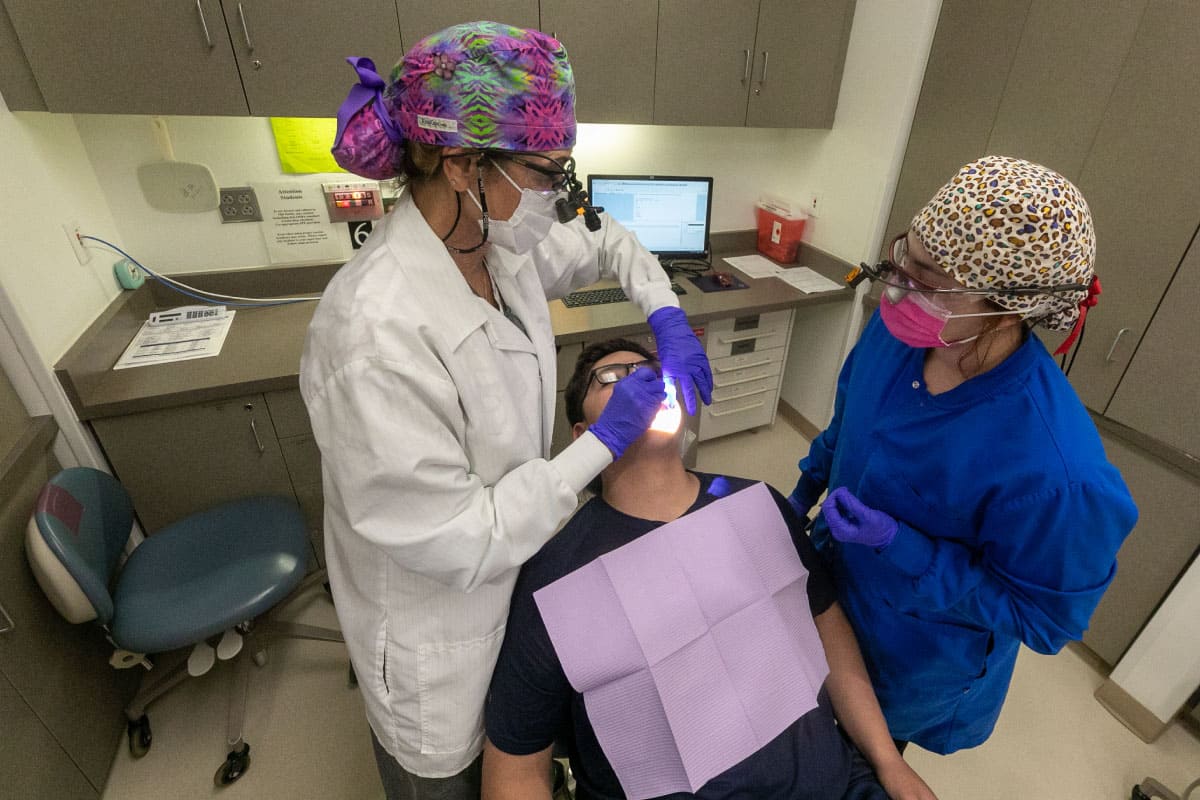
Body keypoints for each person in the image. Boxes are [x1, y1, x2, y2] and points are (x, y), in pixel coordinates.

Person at [300, 22, 713, 799]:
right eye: (545, 172)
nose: (556, 194)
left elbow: (606, 242)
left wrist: (667, 315)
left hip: (521, 589)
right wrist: (605, 443)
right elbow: (462, 537)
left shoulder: (493, 243)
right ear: (460, 163)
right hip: (440, 638)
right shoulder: (372, 335)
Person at [787, 155, 1138, 755]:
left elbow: (1044, 621)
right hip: (829, 595)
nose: (897, 286)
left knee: (861, 762)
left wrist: (902, 545)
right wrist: (804, 492)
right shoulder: (898, 334)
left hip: (908, 660)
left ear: (1006, 304)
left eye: (926, 276)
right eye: (904, 258)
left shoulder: (1058, 473)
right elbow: (850, 423)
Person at [482, 338, 938, 800]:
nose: (642, 382)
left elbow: (829, 629)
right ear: (583, 437)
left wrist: (888, 761)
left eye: (651, 371)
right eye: (613, 378)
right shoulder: (557, 580)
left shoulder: (758, 504)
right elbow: (516, 768)